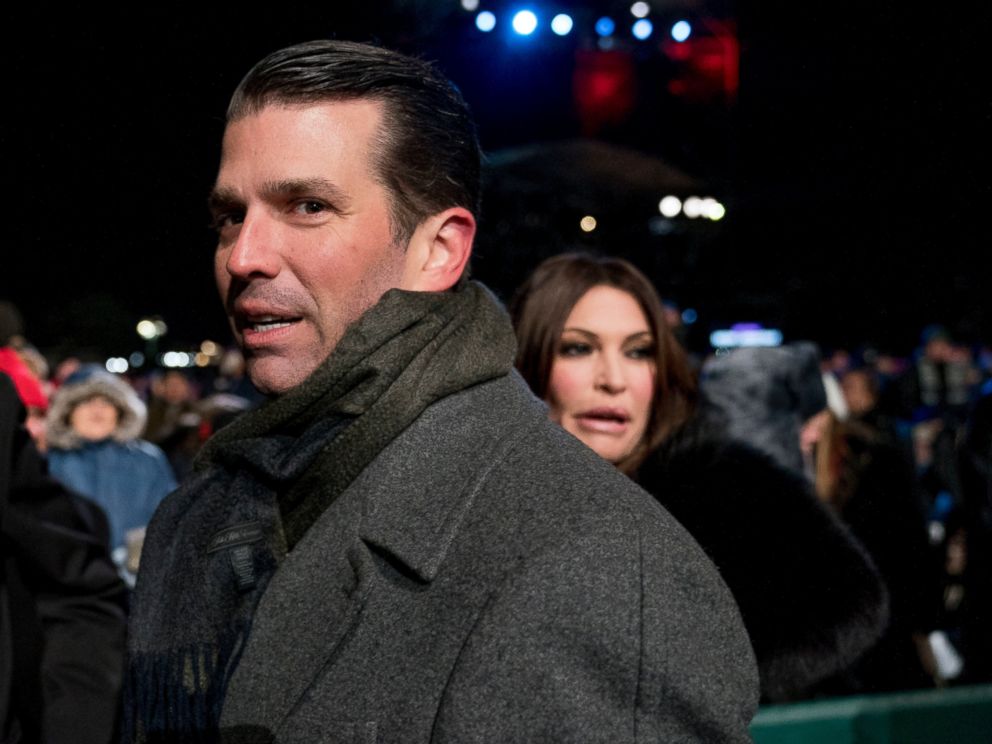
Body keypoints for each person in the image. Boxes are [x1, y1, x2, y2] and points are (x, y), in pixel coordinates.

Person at [124, 40, 757, 742]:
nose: (244, 255)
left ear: (439, 251)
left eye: (306, 205)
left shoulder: (600, 565)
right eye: (230, 216)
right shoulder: (194, 520)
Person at [512, 253, 888, 701]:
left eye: (638, 351)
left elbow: (848, 606)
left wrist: (677, 703)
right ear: (528, 361)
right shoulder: (488, 497)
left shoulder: (728, 488)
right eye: (578, 348)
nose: (613, 379)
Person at [1, 373, 127, 744]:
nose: (99, 412)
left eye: (107, 403)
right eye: (89, 403)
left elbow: (79, 590)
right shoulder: (59, 460)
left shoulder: (146, 461)